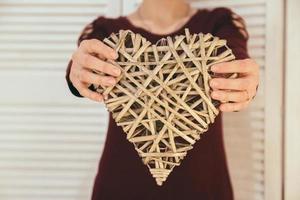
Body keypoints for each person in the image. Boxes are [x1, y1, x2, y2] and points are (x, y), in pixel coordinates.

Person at [65, 0, 259, 199]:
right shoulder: (106, 32)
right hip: (120, 186)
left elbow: (236, 62)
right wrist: (76, 72)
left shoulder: (219, 24)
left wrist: (243, 83)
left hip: (203, 188)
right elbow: (85, 65)